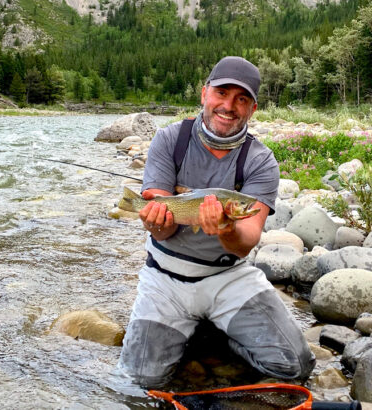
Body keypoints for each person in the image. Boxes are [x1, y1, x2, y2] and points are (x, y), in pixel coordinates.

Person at [118, 56, 315, 388]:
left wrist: (226, 227)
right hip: (165, 279)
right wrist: (153, 221)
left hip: (228, 277)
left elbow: (247, 241)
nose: (229, 106)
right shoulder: (170, 140)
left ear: (253, 109)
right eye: (222, 93)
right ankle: (199, 331)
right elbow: (162, 230)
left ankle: (218, 337)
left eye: (242, 99)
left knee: (295, 365)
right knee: (140, 380)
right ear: (204, 93)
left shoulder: (261, 161)